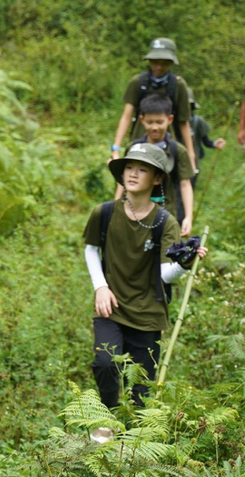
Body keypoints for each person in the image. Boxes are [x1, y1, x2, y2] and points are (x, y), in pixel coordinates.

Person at [84, 143, 207, 414]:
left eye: (142, 169)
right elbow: (91, 249)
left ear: (158, 179)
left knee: (141, 388)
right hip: (111, 306)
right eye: (129, 167)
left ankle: (137, 443)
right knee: (105, 363)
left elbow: (166, 274)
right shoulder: (103, 213)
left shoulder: (166, 222)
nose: (133, 173)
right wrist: (101, 287)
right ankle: (107, 419)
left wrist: (185, 264)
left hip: (148, 313)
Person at [111, 38, 197, 173]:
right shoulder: (138, 82)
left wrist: (191, 155)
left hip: (167, 147)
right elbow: (126, 116)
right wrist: (116, 148)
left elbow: (183, 122)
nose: (159, 67)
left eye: (164, 63)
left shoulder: (178, 85)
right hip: (139, 144)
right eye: (155, 62)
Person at [114, 94, 195, 236]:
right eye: (150, 122)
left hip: (165, 211)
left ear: (169, 120)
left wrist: (188, 216)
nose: (155, 127)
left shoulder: (178, 151)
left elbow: (185, 183)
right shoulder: (134, 148)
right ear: (142, 120)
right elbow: (123, 181)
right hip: (133, 211)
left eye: (159, 122)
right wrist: (115, 207)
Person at [187, 87, 226, 187]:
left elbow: (206, 142)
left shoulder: (197, 121)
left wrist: (214, 144)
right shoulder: (171, 122)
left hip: (192, 164)